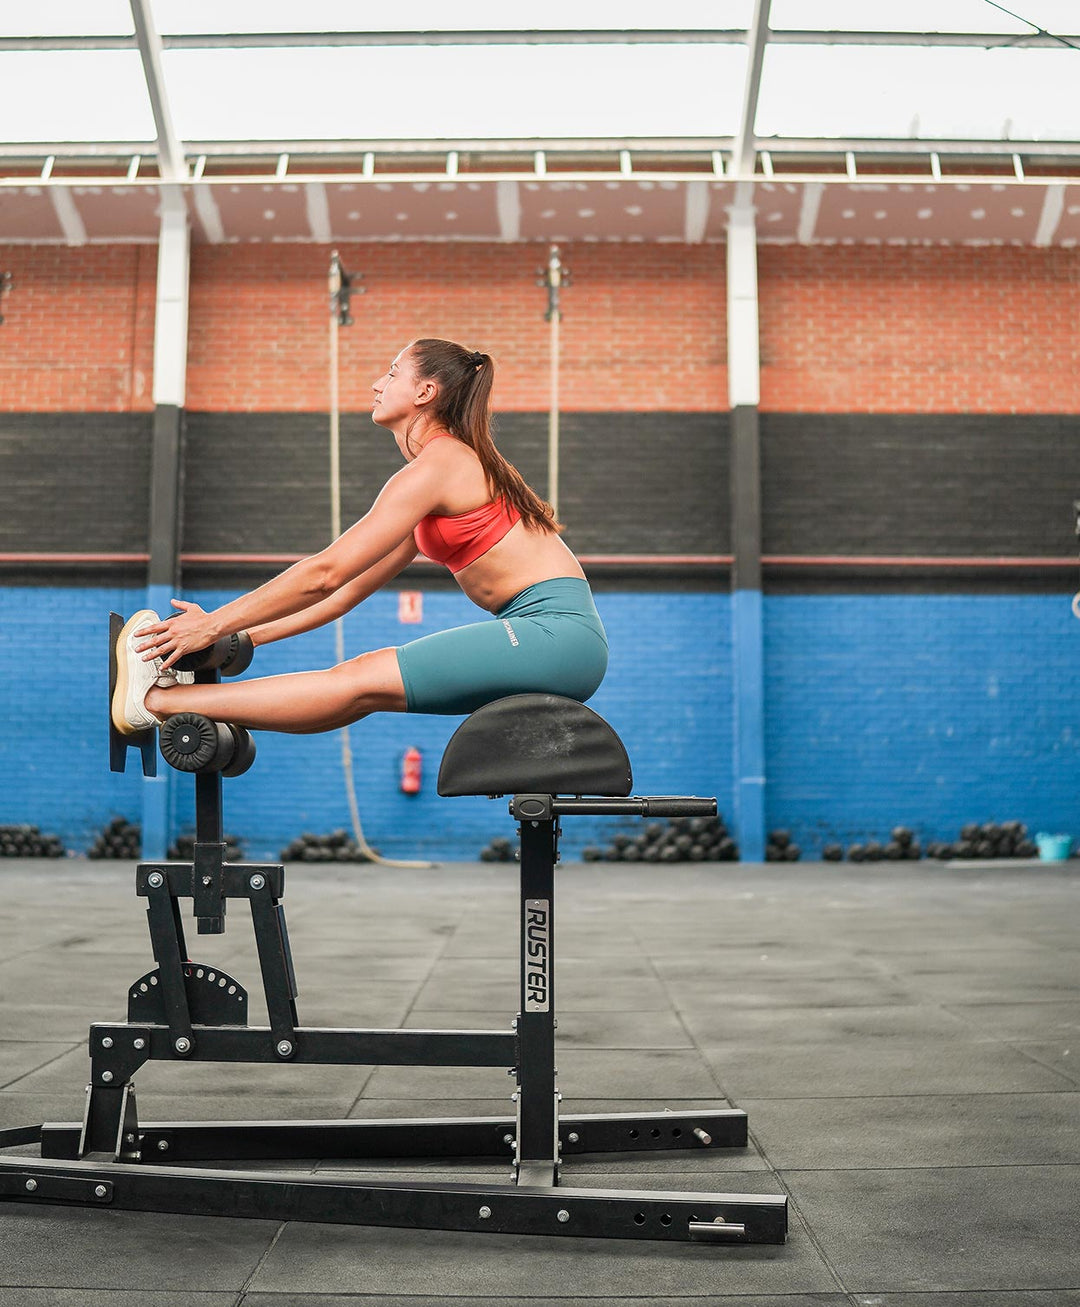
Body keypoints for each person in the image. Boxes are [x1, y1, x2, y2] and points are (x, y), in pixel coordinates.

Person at [112, 337, 608, 736]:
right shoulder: (435, 479)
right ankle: (161, 703)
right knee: (358, 693)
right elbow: (343, 596)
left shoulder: (442, 465)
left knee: (359, 676)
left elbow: (325, 574)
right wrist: (244, 638)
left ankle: (157, 702)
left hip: (555, 637)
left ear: (425, 392)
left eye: (392, 373)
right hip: (556, 642)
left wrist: (212, 626)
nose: (377, 383)